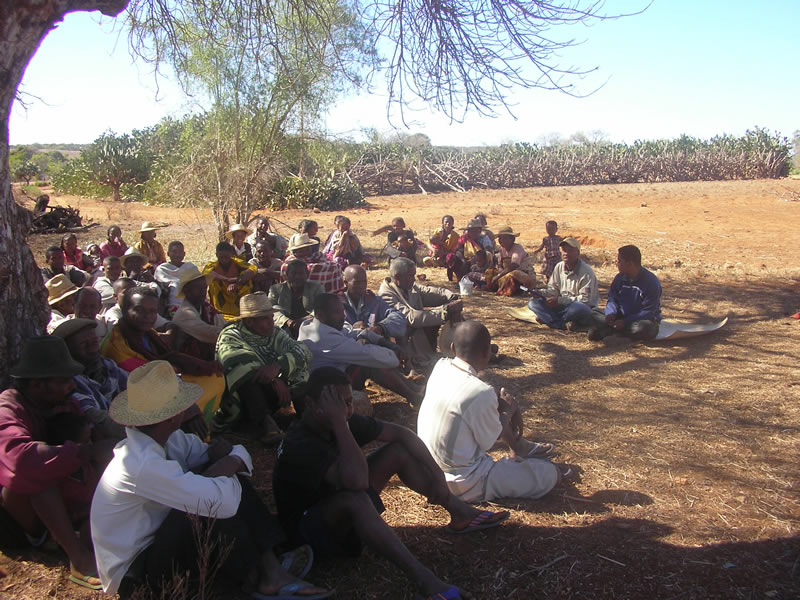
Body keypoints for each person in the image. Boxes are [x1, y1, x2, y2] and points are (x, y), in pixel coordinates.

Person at [90, 361, 331, 599]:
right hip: (138, 576)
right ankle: (265, 572)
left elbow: (236, 453)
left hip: (158, 545)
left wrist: (228, 464)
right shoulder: (140, 463)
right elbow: (223, 497)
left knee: (218, 481)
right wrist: (228, 465)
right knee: (213, 498)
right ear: (175, 415)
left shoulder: (169, 442)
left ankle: (269, 568)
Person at [273, 367, 510, 600]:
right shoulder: (299, 444)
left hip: (334, 505)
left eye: (347, 402)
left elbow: (402, 434)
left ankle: (459, 512)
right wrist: (340, 423)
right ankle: (424, 579)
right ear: (311, 404)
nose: (345, 410)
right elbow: (356, 482)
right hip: (307, 535)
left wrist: (438, 475)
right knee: (355, 500)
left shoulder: (337, 419)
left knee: (396, 452)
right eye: (336, 404)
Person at [0, 337, 117, 590]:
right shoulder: (7, 408)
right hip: (16, 519)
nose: (71, 386)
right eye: (63, 381)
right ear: (36, 384)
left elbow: (94, 438)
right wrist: (85, 453)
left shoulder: (65, 403)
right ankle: (78, 558)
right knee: (37, 476)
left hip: (66, 506)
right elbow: (21, 461)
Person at [418, 321, 562, 503]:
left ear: (453, 348)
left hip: (426, 473)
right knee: (551, 474)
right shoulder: (480, 392)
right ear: (487, 354)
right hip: (464, 483)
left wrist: (498, 404)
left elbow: (476, 395)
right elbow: (489, 442)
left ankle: (520, 448)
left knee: (493, 411)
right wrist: (508, 412)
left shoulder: (441, 366)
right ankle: (520, 450)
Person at [101, 286, 223, 429]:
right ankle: (185, 426)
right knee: (199, 394)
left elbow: (168, 357)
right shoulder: (116, 345)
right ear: (124, 310)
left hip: (167, 379)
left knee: (215, 377)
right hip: (144, 396)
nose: (147, 316)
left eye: (152, 311)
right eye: (139, 310)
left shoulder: (147, 334)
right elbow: (146, 379)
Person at [216, 292, 312, 444]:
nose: (271, 323)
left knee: (298, 367)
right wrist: (274, 379)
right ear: (249, 322)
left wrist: (278, 367)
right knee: (244, 372)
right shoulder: (230, 334)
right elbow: (239, 360)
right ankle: (265, 423)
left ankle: (306, 415)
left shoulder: (275, 333)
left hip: (272, 391)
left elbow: (302, 350)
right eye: (265, 319)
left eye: (271, 318)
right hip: (242, 399)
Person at [298, 294, 423, 406]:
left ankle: (414, 389)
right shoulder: (322, 337)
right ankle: (414, 396)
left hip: (335, 376)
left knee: (373, 356)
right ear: (320, 315)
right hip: (326, 392)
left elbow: (358, 333)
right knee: (371, 363)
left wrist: (390, 345)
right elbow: (370, 355)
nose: (342, 317)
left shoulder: (320, 324)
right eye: (337, 312)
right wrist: (396, 355)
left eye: (342, 311)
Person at [378, 257, 462, 369]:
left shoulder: (407, 286)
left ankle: (455, 349)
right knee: (437, 316)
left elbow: (430, 292)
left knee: (441, 315)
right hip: (403, 342)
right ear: (398, 276)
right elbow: (410, 318)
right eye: (410, 276)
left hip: (417, 336)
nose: (414, 279)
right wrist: (446, 310)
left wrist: (452, 298)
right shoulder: (386, 294)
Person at [51, 318, 127, 440]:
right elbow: (99, 420)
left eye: (94, 342)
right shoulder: (70, 383)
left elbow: (136, 385)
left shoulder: (107, 366)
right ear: (67, 352)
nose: (92, 349)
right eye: (84, 345)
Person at [588, 245, 662, 342]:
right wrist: (611, 313)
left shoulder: (651, 282)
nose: (616, 263)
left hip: (638, 320)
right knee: (595, 312)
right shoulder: (619, 278)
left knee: (643, 328)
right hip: (620, 317)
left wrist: (625, 321)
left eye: (619, 261)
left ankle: (616, 334)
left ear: (630, 264)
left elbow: (649, 312)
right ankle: (616, 332)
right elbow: (612, 299)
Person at [526, 237, 598, 331]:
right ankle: (560, 324)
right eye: (564, 250)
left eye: (570, 250)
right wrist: (540, 293)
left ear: (578, 253)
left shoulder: (586, 272)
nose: (566, 253)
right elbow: (553, 290)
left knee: (578, 308)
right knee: (533, 303)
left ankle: (551, 320)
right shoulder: (559, 267)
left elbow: (585, 300)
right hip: (562, 306)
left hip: (579, 307)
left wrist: (559, 300)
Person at [171, 266, 227, 360]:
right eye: (198, 288)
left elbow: (221, 322)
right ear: (187, 291)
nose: (203, 292)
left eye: (204, 288)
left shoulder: (206, 307)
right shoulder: (185, 313)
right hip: (190, 361)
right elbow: (210, 334)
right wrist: (231, 330)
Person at [340, 265, 406, 343]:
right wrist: (355, 331)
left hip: (374, 350)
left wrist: (381, 327)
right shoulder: (336, 304)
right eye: (357, 282)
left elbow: (399, 318)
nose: (362, 286)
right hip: (345, 350)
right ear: (345, 283)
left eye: (364, 281)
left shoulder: (374, 301)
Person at [269, 260, 324, 339]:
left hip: (310, 323)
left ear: (307, 275)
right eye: (293, 273)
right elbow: (270, 310)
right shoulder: (276, 289)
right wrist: (288, 322)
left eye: (301, 273)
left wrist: (305, 319)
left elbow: (322, 306)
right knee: (276, 308)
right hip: (285, 326)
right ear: (287, 274)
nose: (297, 277)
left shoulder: (316, 287)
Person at [203, 241, 257, 320]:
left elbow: (253, 269)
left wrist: (237, 283)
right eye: (221, 257)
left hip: (238, 297)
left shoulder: (237, 262)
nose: (224, 259)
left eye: (226, 257)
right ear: (217, 255)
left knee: (248, 281)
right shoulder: (212, 265)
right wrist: (228, 279)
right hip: (220, 304)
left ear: (231, 254)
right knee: (212, 282)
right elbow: (206, 274)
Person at [486, 225, 537, 296]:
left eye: (504, 238)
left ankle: (515, 290)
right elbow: (500, 265)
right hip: (507, 275)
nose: (501, 240)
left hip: (524, 277)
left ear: (512, 239)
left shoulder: (517, 248)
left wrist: (499, 276)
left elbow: (514, 265)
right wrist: (499, 273)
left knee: (514, 273)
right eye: (500, 238)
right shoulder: (501, 250)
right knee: (490, 272)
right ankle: (493, 287)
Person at [154, 240, 197, 317]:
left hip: (192, 302)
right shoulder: (162, 269)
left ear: (184, 254)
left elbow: (199, 282)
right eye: (174, 251)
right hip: (171, 304)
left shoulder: (191, 267)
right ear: (168, 254)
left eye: (180, 252)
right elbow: (162, 284)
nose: (177, 255)